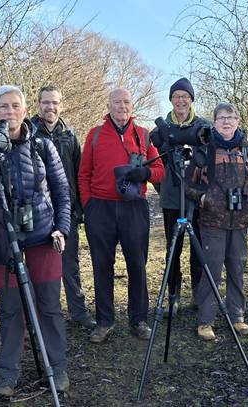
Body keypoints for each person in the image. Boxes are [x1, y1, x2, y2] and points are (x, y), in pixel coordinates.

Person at [0, 85, 71, 396]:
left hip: (42, 236)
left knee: (49, 306)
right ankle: (8, 374)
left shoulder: (42, 146)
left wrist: (61, 228)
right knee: (10, 310)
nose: (9, 112)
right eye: (4, 106)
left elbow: (62, 192)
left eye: (15, 106)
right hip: (2, 241)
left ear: (25, 111)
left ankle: (57, 369)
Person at [78, 88, 165, 343]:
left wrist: (146, 174)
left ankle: (138, 320)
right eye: (117, 102)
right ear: (108, 106)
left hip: (134, 208)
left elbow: (160, 169)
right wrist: (88, 205)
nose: (122, 106)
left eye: (126, 102)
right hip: (100, 208)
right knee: (101, 266)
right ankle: (104, 321)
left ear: (132, 105)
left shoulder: (144, 135)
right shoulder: (95, 135)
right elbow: (83, 174)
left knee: (137, 265)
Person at [185, 102, 248, 341]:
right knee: (212, 270)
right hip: (212, 221)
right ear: (215, 122)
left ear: (237, 121)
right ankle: (206, 320)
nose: (226, 122)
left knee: (237, 269)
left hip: (240, 220)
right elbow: (187, 184)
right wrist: (204, 198)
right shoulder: (205, 149)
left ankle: (237, 316)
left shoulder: (247, 148)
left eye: (230, 117)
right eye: (221, 118)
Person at [30, 85, 96, 329]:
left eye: (55, 102)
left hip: (66, 211)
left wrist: (81, 206)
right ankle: (41, 317)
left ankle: (78, 312)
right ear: (38, 104)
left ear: (61, 105)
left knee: (70, 265)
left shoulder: (69, 135)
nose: (51, 107)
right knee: (39, 268)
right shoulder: (28, 133)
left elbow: (80, 173)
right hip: (37, 211)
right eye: (46, 102)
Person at [150, 78, 211, 309]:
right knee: (172, 249)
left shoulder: (204, 127)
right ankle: (173, 296)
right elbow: (155, 166)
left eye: (185, 96)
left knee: (199, 248)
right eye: (176, 96)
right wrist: (164, 188)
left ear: (191, 99)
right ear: (171, 100)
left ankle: (198, 294)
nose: (181, 100)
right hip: (172, 198)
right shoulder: (160, 130)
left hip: (198, 197)